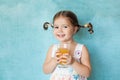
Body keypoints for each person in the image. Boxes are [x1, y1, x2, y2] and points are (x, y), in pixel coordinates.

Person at [43, 10, 93, 80]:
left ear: (74, 29)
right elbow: (46, 70)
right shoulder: (53, 49)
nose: (60, 30)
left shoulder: (81, 49)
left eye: (65, 27)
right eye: (56, 27)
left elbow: (87, 73)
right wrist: (54, 61)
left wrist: (73, 62)